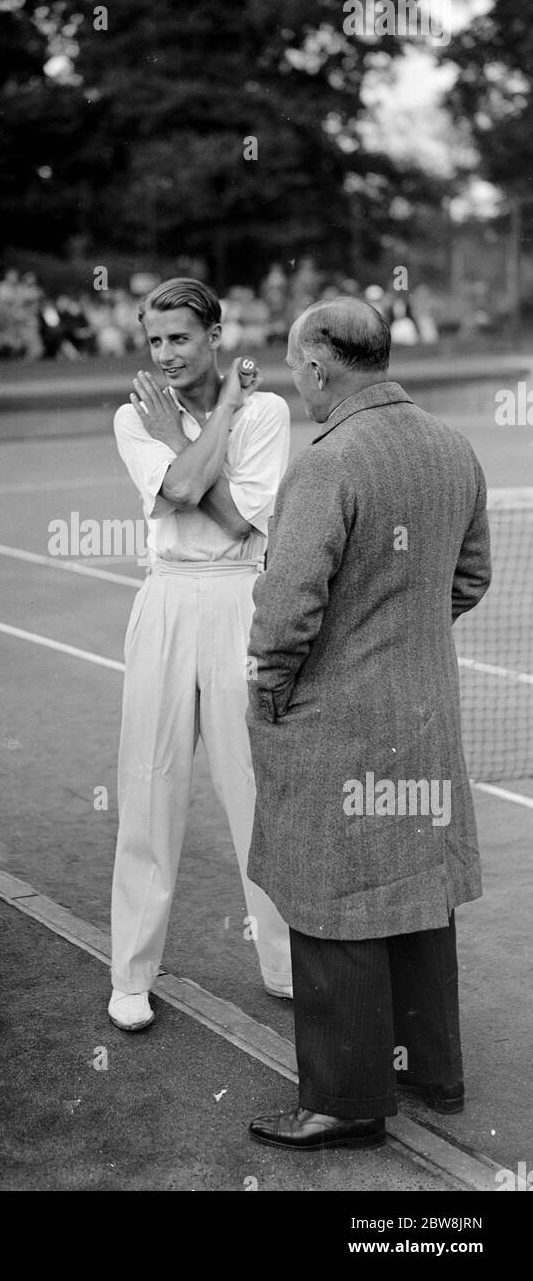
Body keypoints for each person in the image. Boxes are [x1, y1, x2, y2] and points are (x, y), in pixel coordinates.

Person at [246, 296, 491, 1151]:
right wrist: (401, 641)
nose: (295, 382)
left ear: (318, 365)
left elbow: (285, 611)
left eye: (294, 367)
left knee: (333, 899)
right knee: (415, 889)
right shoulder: (451, 447)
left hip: (336, 722)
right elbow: (470, 577)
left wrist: (271, 687)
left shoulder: (328, 461)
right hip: (422, 709)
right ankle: (431, 1070)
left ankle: (345, 1101)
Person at [108, 277, 292, 1032]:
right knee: (147, 790)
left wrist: (206, 424)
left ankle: (283, 963)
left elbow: (243, 520)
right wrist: (207, 434)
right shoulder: (133, 415)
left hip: (240, 598)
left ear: (215, 334)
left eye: (179, 338)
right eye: (154, 341)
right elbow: (181, 490)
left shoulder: (269, 410)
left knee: (254, 792)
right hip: (165, 600)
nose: (165, 354)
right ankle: (129, 976)